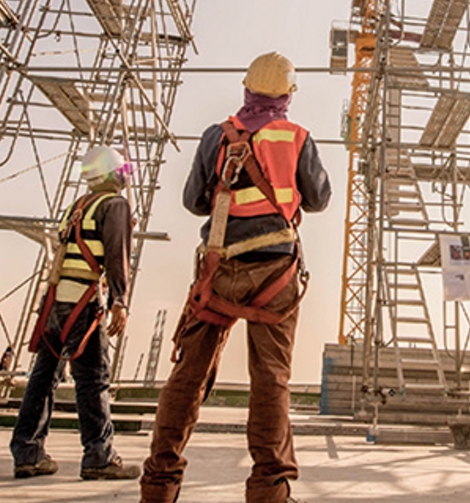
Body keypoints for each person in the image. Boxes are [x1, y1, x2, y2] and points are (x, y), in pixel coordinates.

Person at [142, 52, 331, 503]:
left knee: (188, 374)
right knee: (271, 379)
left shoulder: (216, 136)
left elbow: (193, 202)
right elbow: (319, 199)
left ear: (247, 89)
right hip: (275, 275)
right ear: (287, 95)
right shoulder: (298, 137)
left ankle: (158, 485)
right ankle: (270, 491)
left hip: (218, 268)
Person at [10, 145, 141, 481]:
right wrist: (120, 301)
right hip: (83, 303)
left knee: (44, 377)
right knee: (93, 380)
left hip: (56, 302)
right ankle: (99, 456)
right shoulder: (115, 205)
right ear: (113, 174)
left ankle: (27, 452)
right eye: (122, 172)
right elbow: (116, 256)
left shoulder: (78, 206)